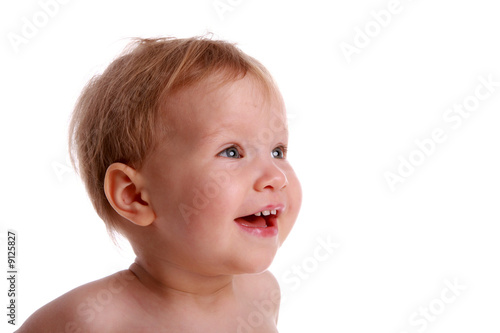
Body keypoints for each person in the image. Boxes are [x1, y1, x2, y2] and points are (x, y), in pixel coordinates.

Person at [17, 36, 302, 332]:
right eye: (231, 151)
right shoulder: (91, 320)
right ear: (135, 196)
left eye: (278, 151)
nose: (276, 176)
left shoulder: (262, 294)